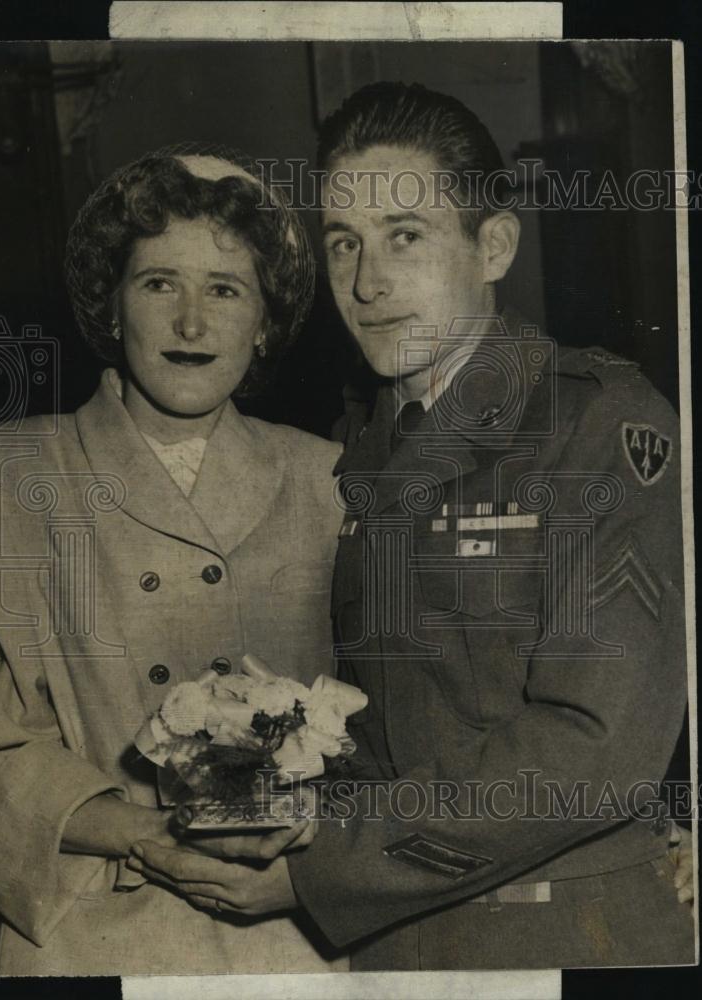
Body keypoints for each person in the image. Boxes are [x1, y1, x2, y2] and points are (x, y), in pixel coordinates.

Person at [129, 84, 696, 970]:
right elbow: (394, 726)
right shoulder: (365, 443)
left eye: (405, 236)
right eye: (345, 243)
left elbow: (598, 750)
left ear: (494, 245)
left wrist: (329, 868)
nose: (366, 283)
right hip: (395, 949)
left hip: (562, 936)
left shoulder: (597, 425)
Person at [0, 146, 348, 975]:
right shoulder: (4, 478)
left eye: (225, 289)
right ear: (111, 308)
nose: (192, 323)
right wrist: (142, 830)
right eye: (159, 284)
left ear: (264, 323)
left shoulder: (329, 480)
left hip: (287, 931)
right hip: (91, 928)